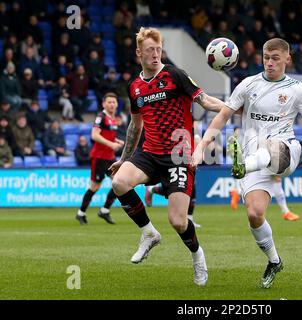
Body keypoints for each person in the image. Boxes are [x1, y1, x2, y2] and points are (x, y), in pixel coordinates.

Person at [192, 38, 302, 289]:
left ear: (287, 59)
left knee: (271, 146)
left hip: (285, 150)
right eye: (266, 57)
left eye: (275, 57)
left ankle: (244, 165)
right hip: (253, 155)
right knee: (255, 214)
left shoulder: (297, 90)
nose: (269, 62)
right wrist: (201, 147)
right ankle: (274, 260)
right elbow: (222, 116)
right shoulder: (248, 84)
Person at [108, 27, 226, 286]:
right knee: (119, 182)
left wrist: (233, 107)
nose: (155, 54)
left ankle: (197, 256)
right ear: (139, 52)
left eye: (159, 49)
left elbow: (205, 100)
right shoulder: (135, 88)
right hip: (149, 152)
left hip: (178, 155)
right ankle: (149, 233)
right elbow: (135, 126)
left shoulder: (175, 75)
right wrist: (124, 158)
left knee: (178, 221)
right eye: (150, 50)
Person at [76, 93, 124, 225]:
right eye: (109, 102)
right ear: (103, 104)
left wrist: (116, 140)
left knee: (119, 183)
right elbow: (95, 135)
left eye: (114, 102)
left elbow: (106, 135)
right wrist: (112, 144)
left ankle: (104, 210)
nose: (112, 104)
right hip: (99, 157)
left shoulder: (113, 118)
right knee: (95, 187)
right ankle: (81, 213)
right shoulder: (100, 117)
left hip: (110, 157)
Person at [229, 177, 300, 221]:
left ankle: (238, 192)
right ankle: (286, 212)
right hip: (264, 155)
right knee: (276, 179)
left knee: (256, 180)